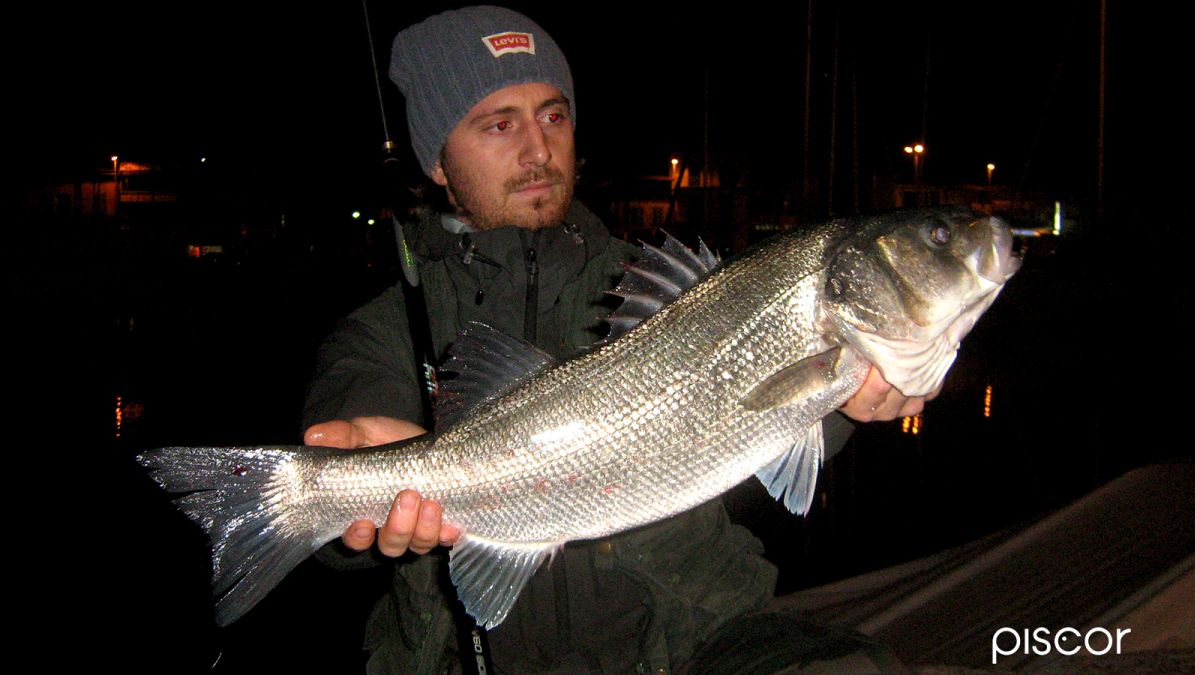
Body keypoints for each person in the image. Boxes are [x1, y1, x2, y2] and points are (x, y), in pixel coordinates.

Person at [302, 6, 929, 673]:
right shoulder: (389, 323)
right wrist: (347, 486)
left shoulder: (656, 283)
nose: (538, 149)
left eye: (553, 115)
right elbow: (347, 445)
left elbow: (769, 414)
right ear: (437, 160)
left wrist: (848, 400)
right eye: (499, 123)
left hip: (694, 638)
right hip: (465, 656)